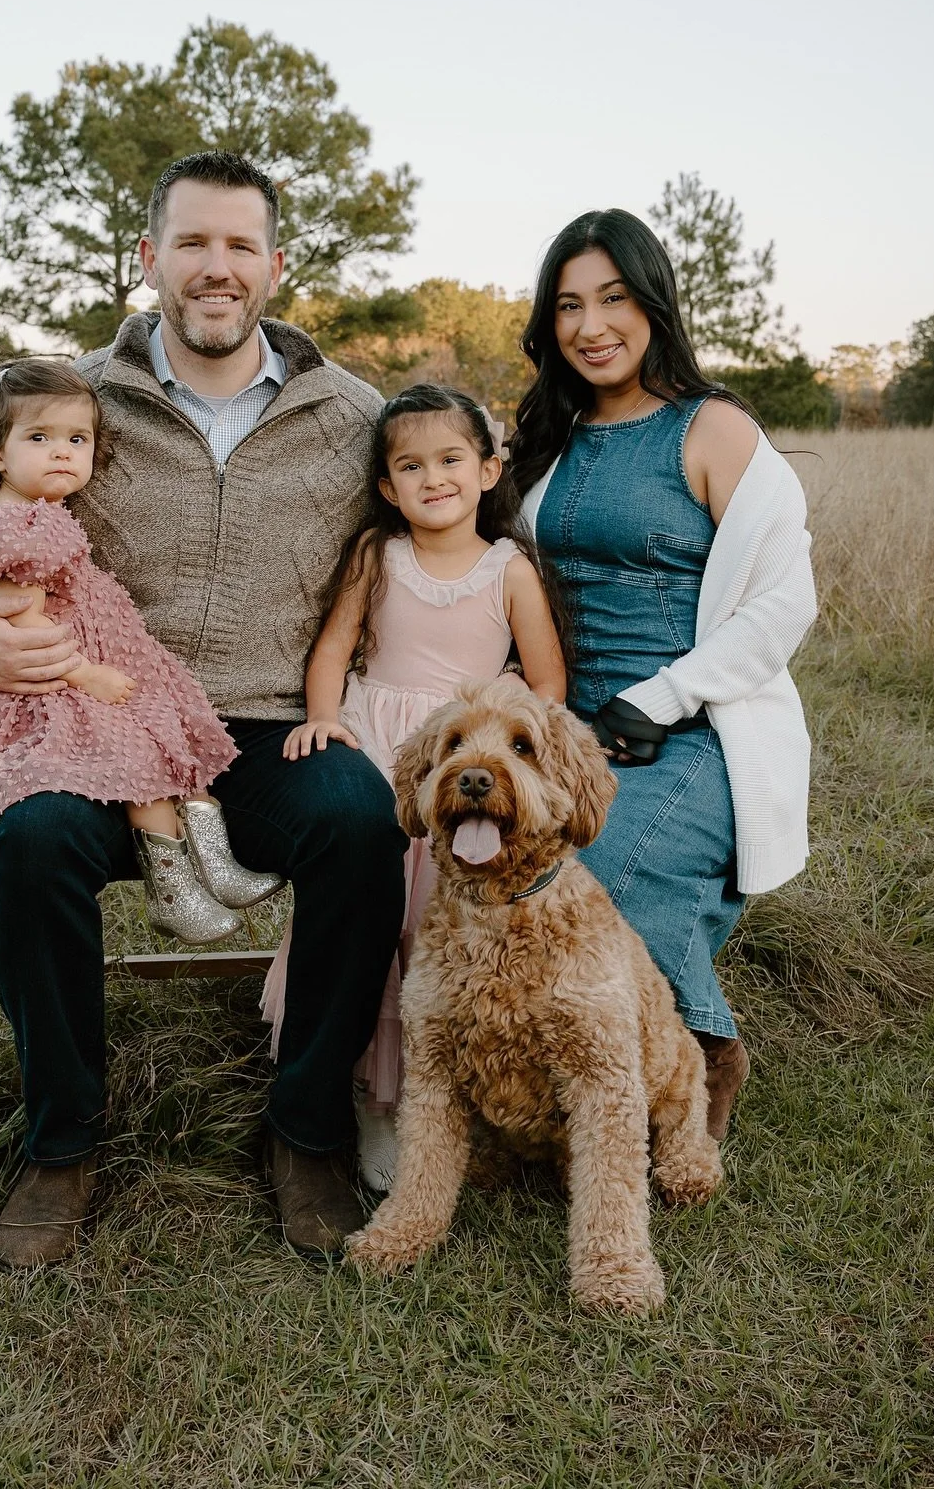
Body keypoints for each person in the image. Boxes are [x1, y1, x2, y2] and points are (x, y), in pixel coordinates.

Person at [0, 150, 407, 1267]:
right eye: (192, 243)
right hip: (99, 727)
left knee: (362, 825)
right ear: (149, 260)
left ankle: (308, 1129)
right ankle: (62, 1138)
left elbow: (439, 520)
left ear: (276, 265)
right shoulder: (72, 402)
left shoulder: (351, 416)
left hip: (271, 722)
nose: (216, 268)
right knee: (31, 837)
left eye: (240, 246)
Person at [510, 209, 817, 1140]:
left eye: (613, 298)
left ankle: (704, 1050)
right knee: (511, 876)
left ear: (654, 304)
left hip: (695, 727)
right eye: (569, 305)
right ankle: (548, 1085)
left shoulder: (713, 428)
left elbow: (783, 604)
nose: (591, 325)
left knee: (599, 871)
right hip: (567, 724)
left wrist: (663, 696)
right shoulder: (546, 437)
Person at [271, 383, 565, 1191]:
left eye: (450, 459)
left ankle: (458, 1096)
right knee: (375, 926)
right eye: (411, 465)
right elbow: (333, 651)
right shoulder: (377, 556)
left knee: (436, 932)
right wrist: (326, 722)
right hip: (380, 753)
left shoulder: (510, 571)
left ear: (487, 468)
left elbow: (545, 685)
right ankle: (375, 1101)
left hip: (463, 769)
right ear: (386, 486)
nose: (432, 478)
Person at [0, 356, 278, 944]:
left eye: (77, 439)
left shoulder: (15, 510)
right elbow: (27, 634)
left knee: (165, 731)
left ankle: (211, 868)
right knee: (142, 761)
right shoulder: (20, 532)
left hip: (86, 662)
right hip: (56, 689)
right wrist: (92, 676)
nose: (62, 452)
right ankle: (177, 891)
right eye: (39, 437)